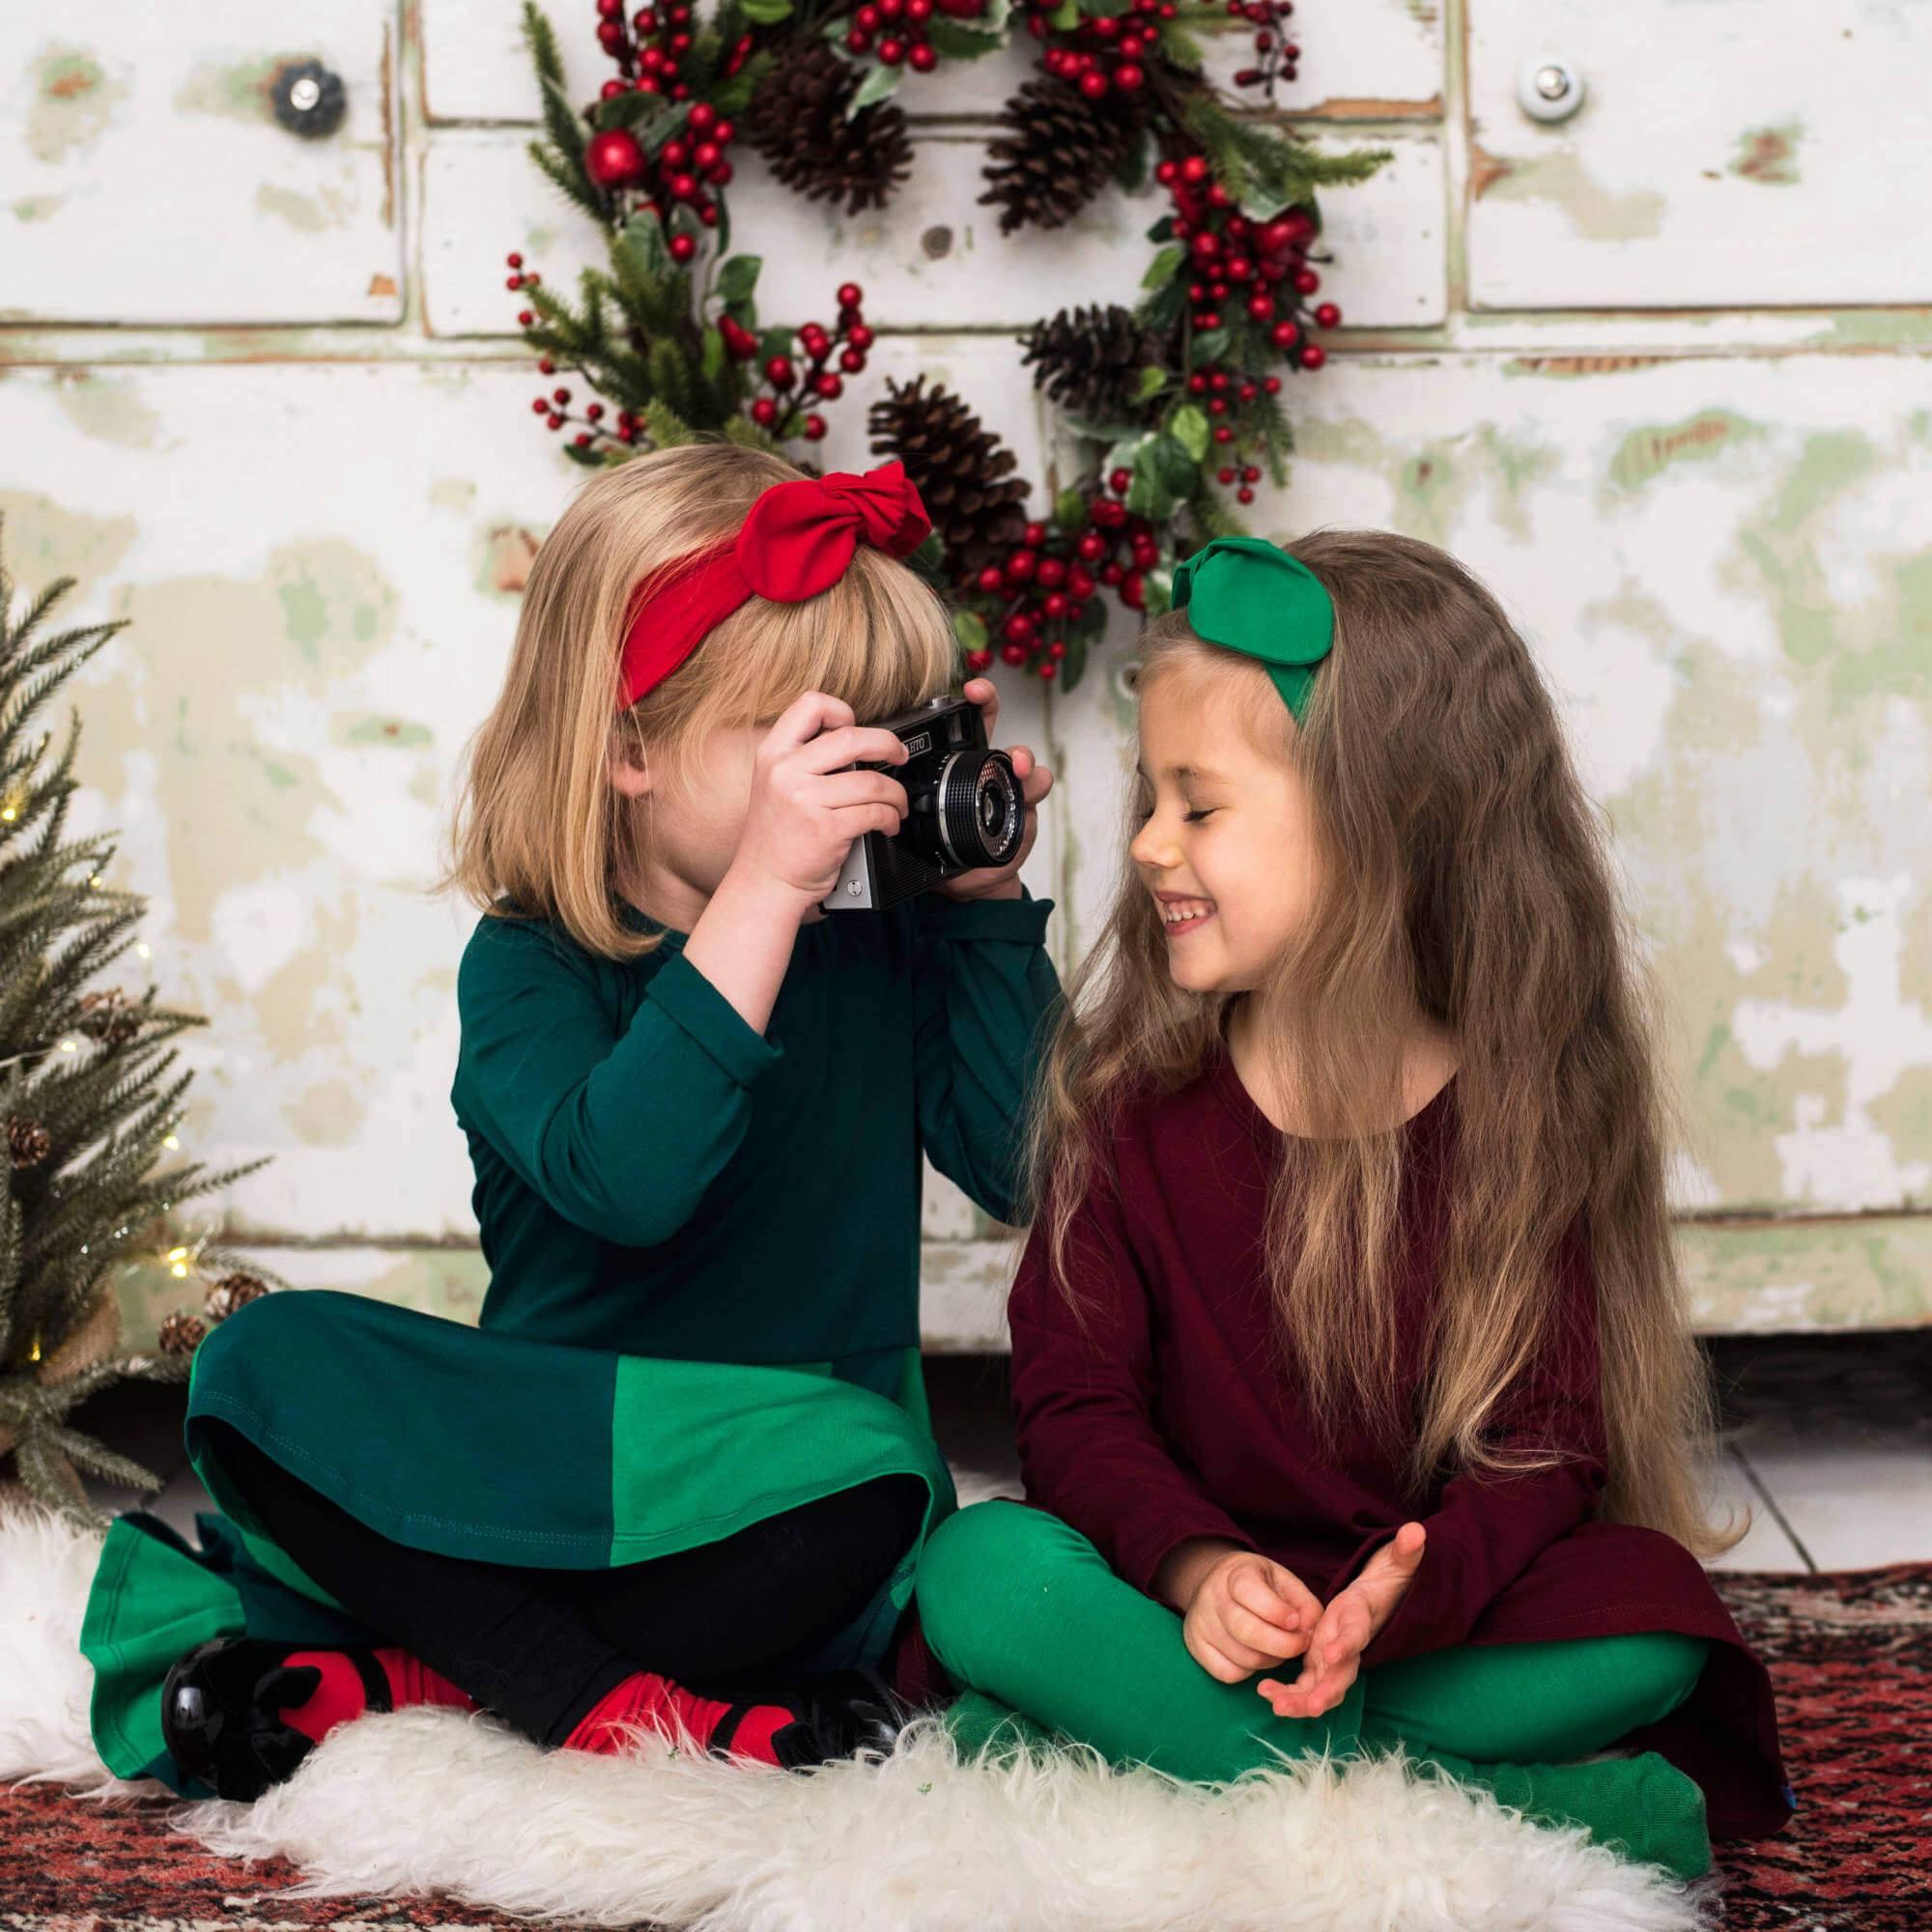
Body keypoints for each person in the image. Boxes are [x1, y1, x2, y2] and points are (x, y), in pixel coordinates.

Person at [79, 444, 1060, 1800]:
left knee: (888, 1471)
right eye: (807, 741)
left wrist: (985, 910)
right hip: (558, 1469)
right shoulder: (532, 961)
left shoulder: (869, 937)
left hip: (784, 1495)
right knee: (256, 1363)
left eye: (884, 732)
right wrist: (763, 899)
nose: (857, 782)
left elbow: (1018, 1170)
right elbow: (628, 1181)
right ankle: (603, 1698)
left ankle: (458, 1678)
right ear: (629, 748)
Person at [913, 531, 1791, 1882]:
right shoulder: (1130, 1107)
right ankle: (1489, 1800)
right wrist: (1200, 1567)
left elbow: (1545, 1441)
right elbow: (1076, 1409)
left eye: (1200, 807)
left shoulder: (1523, 1107)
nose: (1149, 844)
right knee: (981, 1570)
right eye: (1153, 798)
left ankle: (1140, 1751)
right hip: (1187, 1603)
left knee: (1657, 1619)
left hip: (1432, 1614)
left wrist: (1400, 1599)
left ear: (1386, 826)